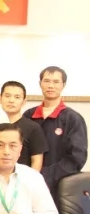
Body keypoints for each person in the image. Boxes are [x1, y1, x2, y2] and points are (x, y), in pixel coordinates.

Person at [23, 66, 88, 198]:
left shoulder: (73, 118)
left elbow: (77, 157)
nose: (51, 86)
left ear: (63, 85)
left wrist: (45, 175)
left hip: (60, 187)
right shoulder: (28, 115)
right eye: (46, 81)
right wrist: (28, 175)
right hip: (27, 184)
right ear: (40, 83)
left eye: (56, 82)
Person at [0, 81, 47, 171]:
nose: (11, 100)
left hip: (22, 177)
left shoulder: (33, 128)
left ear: (24, 102)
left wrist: (31, 179)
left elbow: (37, 161)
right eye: (7, 96)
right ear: (0, 99)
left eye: (17, 97)